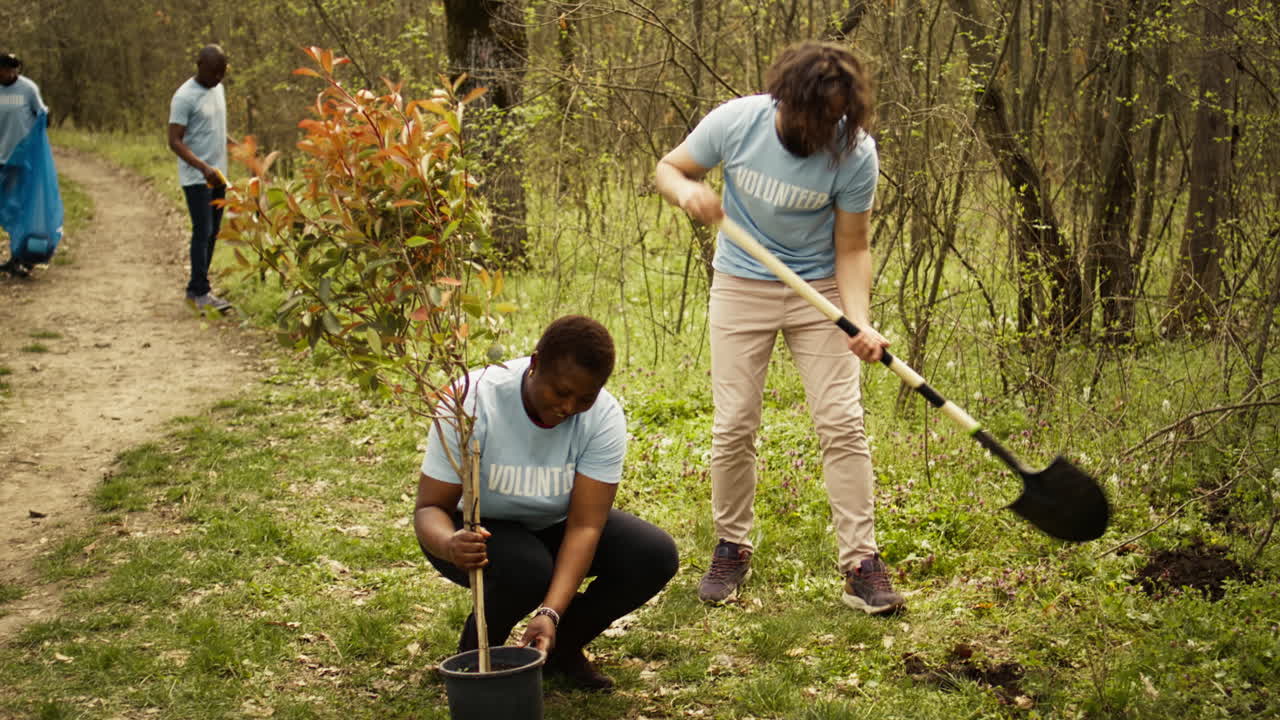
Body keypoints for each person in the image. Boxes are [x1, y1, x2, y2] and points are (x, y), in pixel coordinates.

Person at [654, 41, 905, 615]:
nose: (820, 129)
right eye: (810, 116)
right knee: (735, 423)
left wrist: (857, 321)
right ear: (783, 99)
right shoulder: (737, 122)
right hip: (742, 283)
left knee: (842, 423)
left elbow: (853, 244)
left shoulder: (854, 153)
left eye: (833, 119)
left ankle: (861, 564)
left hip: (818, 291)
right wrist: (688, 190)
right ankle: (732, 545)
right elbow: (669, 167)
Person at [414, 315, 679, 691]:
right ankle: (474, 661)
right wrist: (448, 544)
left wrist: (550, 613)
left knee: (653, 554)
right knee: (528, 569)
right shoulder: (473, 399)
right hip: (471, 531)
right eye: (560, 392)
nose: (568, 407)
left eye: (584, 398)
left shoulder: (603, 417)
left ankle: (558, 648)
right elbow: (429, 509)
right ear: (535, 364)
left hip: (552, 525)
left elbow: (586, 526)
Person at [168, 44, 233, 312]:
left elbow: (214, 131)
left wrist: (238, 147)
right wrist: (202, 167)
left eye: (223, 74)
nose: (219, 78)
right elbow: (174, 141)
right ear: (200, 65)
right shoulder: (184, 97)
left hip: (219, 176)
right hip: (197, 177)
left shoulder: (217, 89)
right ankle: (199, 291)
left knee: (214, 232)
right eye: (215, 72)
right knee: (202, 230)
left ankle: (199, 287)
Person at [0, 51, 52, 278]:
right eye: (7, 69)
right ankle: (15, 255)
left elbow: (43, 116)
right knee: (7, 209)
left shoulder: (28, 89)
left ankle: (22, 258)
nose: (12, 73)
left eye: (15, 69)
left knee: (21, 207)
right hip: (1, 159)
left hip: (23, 160)